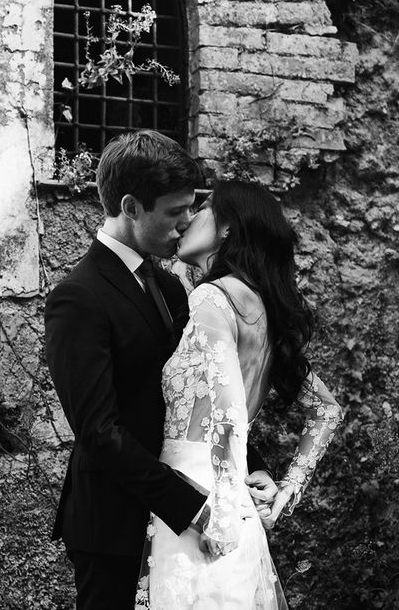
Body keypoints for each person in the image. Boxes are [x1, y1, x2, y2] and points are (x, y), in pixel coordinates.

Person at [44, 131, 276, 609]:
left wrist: (251, 470)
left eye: (191, 209)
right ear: (131, 207)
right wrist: (192, 507)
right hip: (114, 526)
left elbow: (203, 396)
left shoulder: (171, 288)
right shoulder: (78, 297)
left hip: (179, 525)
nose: (187, 223)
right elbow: (98, 430)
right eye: (175, 212)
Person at [134, 180, 343, 609]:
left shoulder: (214, 296)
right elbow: (327, 411)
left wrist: (221, 514)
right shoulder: (262, 307)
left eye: (204, 208)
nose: (189, 218)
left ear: (227, 228)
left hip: (200, 512)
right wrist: (283, 493)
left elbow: (227, 415)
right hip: (233, 504)